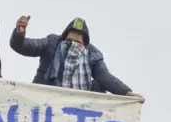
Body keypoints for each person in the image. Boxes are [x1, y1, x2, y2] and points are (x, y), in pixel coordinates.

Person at [9, 15, 145, 101]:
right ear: (63, 38)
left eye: (78, 43)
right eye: (69, 42)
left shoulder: (93, 54)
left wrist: (126, 92)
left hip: (80, 105)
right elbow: (24, 46)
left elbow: (105, 77)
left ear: (85, 43)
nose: (73, 46)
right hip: (48, 99)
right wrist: (20, 33)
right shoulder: (51, 43)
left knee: (98, 86)